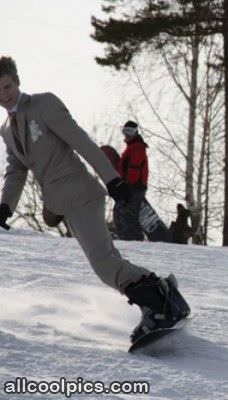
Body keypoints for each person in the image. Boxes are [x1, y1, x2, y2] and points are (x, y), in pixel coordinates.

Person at [0, 56, 190, 342]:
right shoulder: (7, 130)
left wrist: (112, 178)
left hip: (83, 194)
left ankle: (160, 304)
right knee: (106, 260)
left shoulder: (43, 104)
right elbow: (16, 170)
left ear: (17, 81)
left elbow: (81, 141)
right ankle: (164, 295)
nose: (5, 94)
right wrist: (5, 206)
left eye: (8, 86)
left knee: (103, 264)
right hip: (65, 205)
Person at [115, 120, 148, 241]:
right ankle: (128, 238)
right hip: (132, 186)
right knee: (123, 212)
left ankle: (134, 240)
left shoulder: (137, 148)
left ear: (135, 133)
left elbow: (135, 167)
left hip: (134, 187)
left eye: (129, 132)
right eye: (125, 131)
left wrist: (128, 184)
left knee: (130, 214)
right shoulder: (133, 147)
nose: (126, 135)